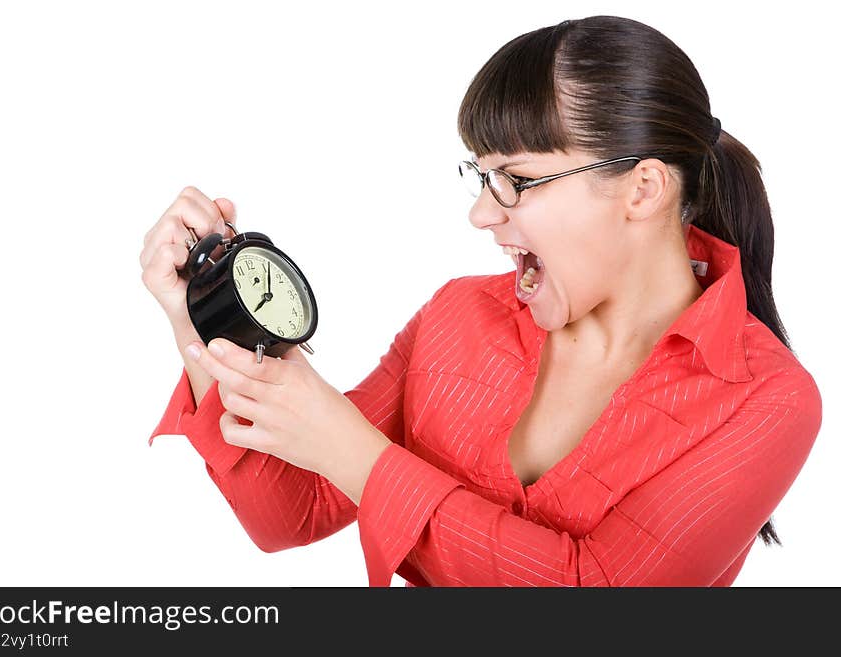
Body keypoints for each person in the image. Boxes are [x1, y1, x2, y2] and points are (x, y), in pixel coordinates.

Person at [141, 15, 822, 586]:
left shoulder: (766, 398)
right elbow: (291, 511)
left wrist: (358, 454)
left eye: (517, 180)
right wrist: (198, 318)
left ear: (643, 189)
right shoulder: (455, 317)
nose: (480, 214)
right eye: (481, 174)